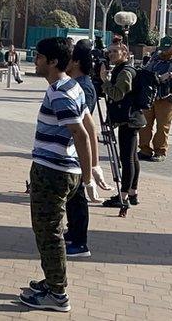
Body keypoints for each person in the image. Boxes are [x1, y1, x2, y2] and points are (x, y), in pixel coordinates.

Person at [19, 37, 92, 313]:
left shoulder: (60, 92)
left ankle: (57, 293)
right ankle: (52, 281)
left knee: (48, 232)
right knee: (50, 230)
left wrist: (88, 176)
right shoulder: (72, 86)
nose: (35, 60)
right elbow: (88, 126)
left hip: (54, 171)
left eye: (38, 57)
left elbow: (81, 133)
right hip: (61, 168)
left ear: (52, 61)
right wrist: (87, 171)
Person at [63, 40, 109, 259]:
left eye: (69, 58)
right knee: (73, 196)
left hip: (77, 150)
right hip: (72, 150)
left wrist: (93, 164)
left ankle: (80, 242)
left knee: (79, 195)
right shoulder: (75, 82)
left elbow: (86, 126)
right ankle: (73, 232)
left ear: (77, 62)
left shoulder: (84, 87)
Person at [101, 42, 146, 210]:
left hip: (129, 120)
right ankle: (132, 193)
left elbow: (117, 94)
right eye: (109, 51)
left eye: (114, 51)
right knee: (132, 157)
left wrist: (104, 81)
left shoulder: (126, 71)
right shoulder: (123, 69)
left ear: (124, 52)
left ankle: (124, 195)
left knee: (127, 158)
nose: (111, 54)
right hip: (131, 118)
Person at [137, 35, 172, 162]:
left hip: (168, 97)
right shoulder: (156, 55)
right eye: (162, 49)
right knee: (144, 123)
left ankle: (160, 151)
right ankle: (144, 150)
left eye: (167, 49)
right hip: (150, 95)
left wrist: (171, 75)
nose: (164, 52)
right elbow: (147, 68)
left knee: (163, 126)